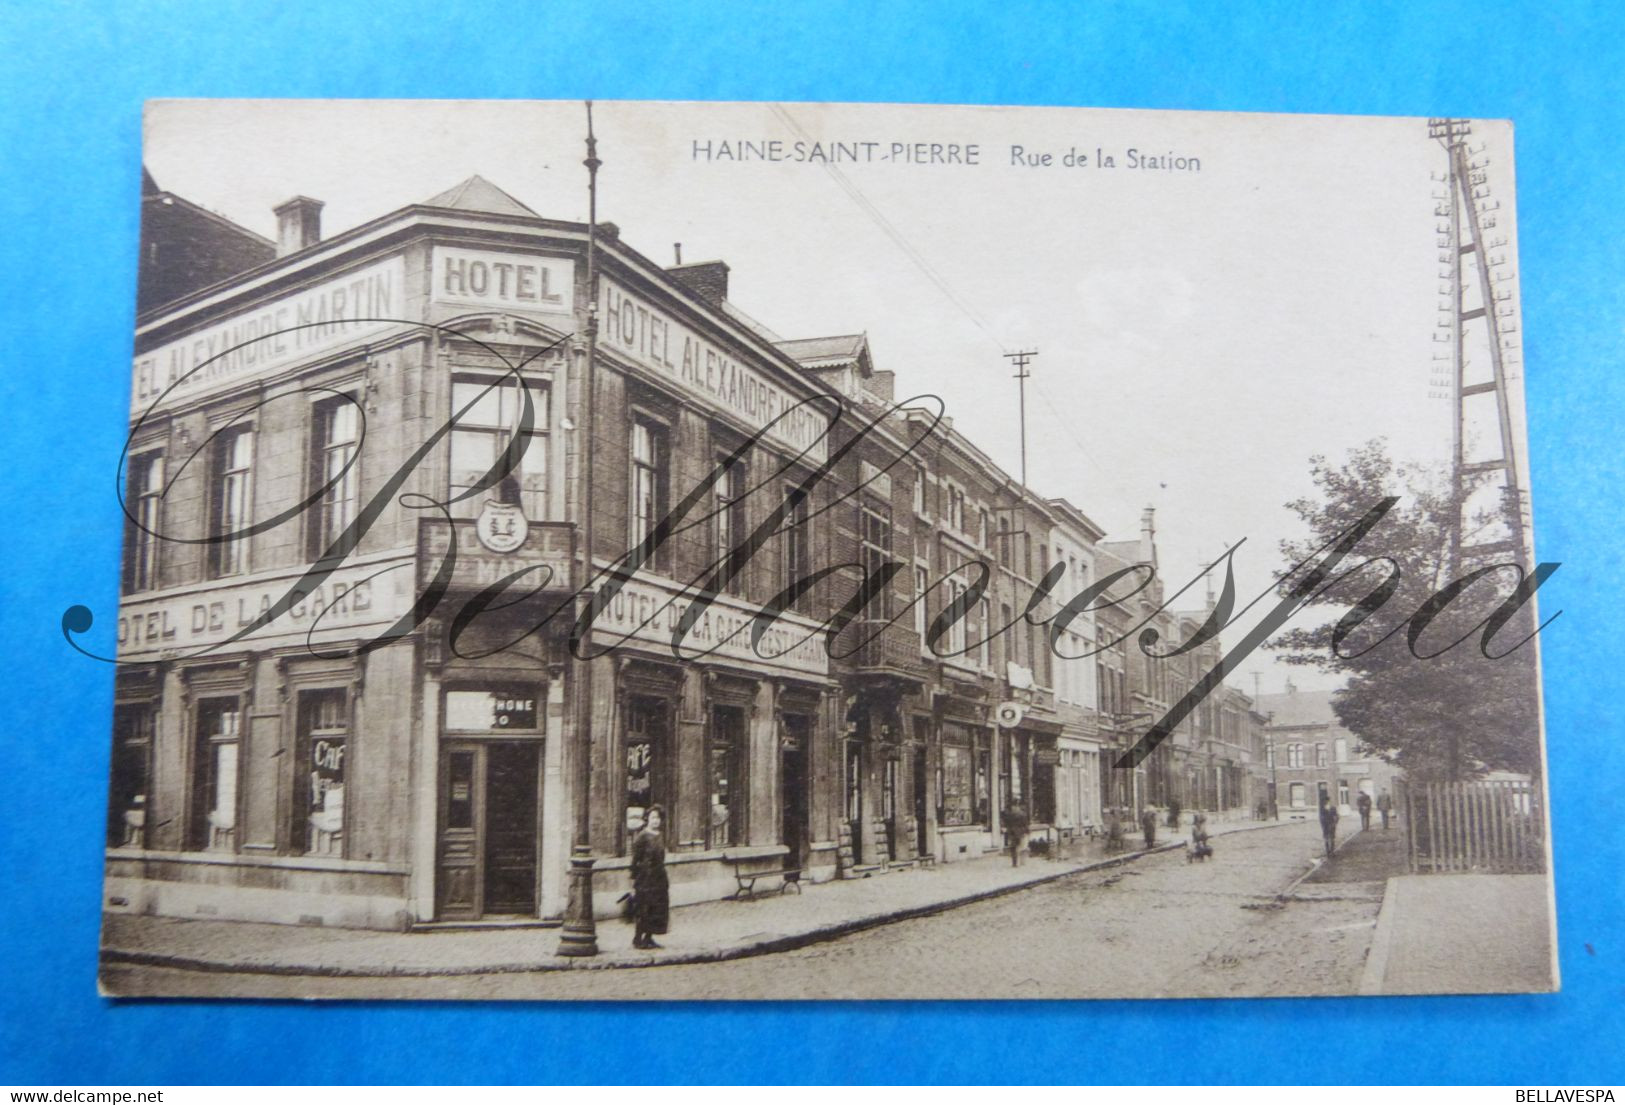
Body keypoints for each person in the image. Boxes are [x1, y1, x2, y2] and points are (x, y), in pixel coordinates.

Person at [630, 804, 670, 950]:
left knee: (656, 909)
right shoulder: (642, 836)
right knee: (644, 908)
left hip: (658, 877)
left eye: (658, 818)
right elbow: (635, 859)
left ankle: (649, 938)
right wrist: (634, 879)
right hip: (645, 878)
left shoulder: (659, 835)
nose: (656, 821)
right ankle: (637, 939)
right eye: (653, 817)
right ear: (647, 819)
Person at [1003, 800, 1030, 867]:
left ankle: (1017, 862)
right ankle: (1019, 862)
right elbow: (1025, 824)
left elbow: (1025, 824)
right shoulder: (1020, 814)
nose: (1013, 808)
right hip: (1017, 833)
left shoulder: (1013, 814)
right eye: (1013, 806)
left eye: (1014, 806)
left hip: (1016, 833)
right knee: (1018, 848)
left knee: (1016, 848)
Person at [1318, 793, 1340, 858]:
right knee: (1327, 839)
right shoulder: (1322, 809)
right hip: (1326, 826)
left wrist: (1335, 822)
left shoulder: (1332, 808)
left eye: (1327, 801)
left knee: (1332, 838)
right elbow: (1321, 818)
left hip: (1331, 825)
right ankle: (1328, 852)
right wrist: (1324, 825)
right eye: (1325, 801)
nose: (1326, 802)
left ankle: (1332, 852)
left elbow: (1337, 816)